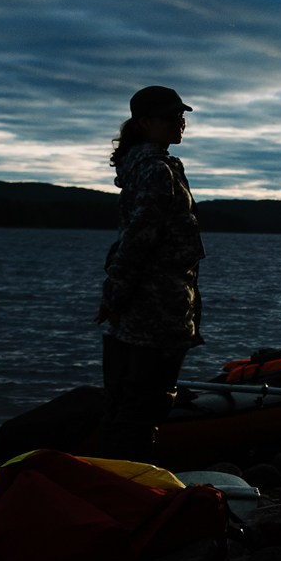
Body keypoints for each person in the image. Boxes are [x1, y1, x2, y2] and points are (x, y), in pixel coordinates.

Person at [96, 85, 206, 458]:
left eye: (181, 116)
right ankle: (130, 479)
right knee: (142, 408)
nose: (180, 123)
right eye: (170, 117)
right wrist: (114, 295)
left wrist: (115, 296)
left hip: (142, 308)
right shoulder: (156, 170)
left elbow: (134, 240)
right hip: (157, 312)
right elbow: (139, 239)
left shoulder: (145, 166)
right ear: (145, 122)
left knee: (126, 403)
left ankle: (116, 473)